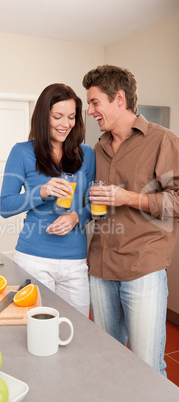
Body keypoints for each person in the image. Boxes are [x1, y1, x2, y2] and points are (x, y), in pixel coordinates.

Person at [82, 64, 179, 375]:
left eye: (95, 101)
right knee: (108, 361)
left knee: (146, 366)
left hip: (143, 268)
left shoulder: (162, 141)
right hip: (100, 266)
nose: (90, 110)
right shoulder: (97, 149)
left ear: (119, 99)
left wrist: (129, 198)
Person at [0, 83, 95, 316]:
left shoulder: (87, 154)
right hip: (34, 260)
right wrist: (41, 193)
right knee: (37, 327)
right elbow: (5, 206)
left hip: (75, 261)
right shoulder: (21, 152)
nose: (66, 124)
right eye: (58, 116)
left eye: (71, 117)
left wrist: (76, 216)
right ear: (44, 117)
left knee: (78, 328)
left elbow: (94, 204)